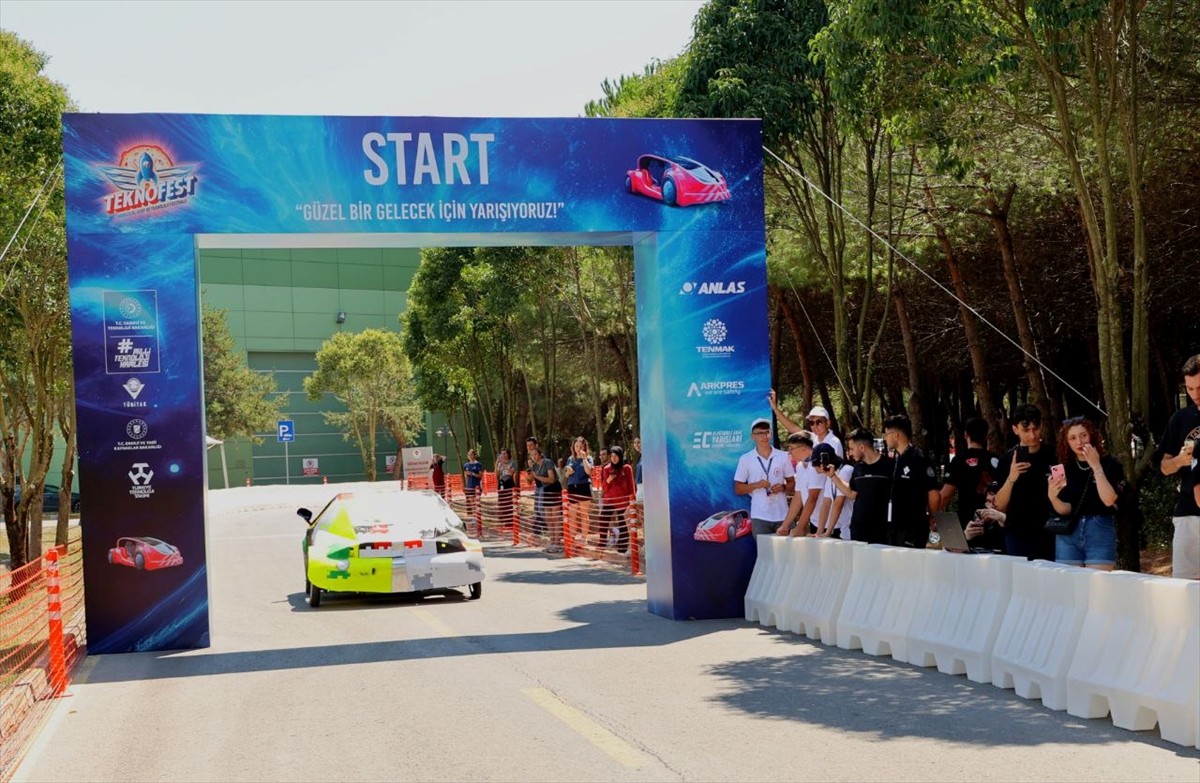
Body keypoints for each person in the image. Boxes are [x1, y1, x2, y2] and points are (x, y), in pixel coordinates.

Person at [1047, 417, 1123, 570]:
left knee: (1098, 586)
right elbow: (1065, 509)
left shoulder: (1109, 463)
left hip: (1099, 528)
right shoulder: (1063, 468)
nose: (1079, 442)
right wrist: (1052, 496)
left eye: (1083, 435)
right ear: (1066, 442)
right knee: (1069, 587)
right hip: (1069, 531)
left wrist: (1096, 466)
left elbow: (1109, 500)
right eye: (1072, 438)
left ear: (1092, 436)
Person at [1154, 354, 1200, 580]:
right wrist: (1180, 461)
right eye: (1190, 389)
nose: (1196, 395)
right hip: (1188, 515)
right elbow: (1164, 467)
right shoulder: (1180, 419)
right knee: (1185, 589)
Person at [994, 404, 1056, 560]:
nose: (1032, 435)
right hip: (1017, 532)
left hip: (1049, 531)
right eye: (1026, 430)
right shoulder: (1007, 460)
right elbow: (1000, 505)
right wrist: (1011, 478)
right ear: (1015, 429)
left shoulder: (1054, 455)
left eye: (1036, 428)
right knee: (1020, 581)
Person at [825, 429, 893, 544]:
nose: (850, 453)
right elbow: (852, 494)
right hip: (858, 532)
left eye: (851, 449)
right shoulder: (857, 469)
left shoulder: (890, 466)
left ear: (862, 447)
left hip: (883, 533)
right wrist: (833, 476)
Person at [883, 414, 940, 548]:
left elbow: (933, 494)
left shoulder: (918, 458)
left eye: (886, 434)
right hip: (894, 527)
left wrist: (933, 517)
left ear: (896, 435)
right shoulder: (897, 459)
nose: (885, 439)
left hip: (912, 528)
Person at [734, 418, 796, 536]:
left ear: (770, 434)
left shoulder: (783, 456)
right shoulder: (746, 459)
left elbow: (792, 484)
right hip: (760, 517)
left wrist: (783, 487)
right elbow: (738, 488)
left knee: (786, 553)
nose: (764, 436)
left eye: (767, 432)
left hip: (783, 515)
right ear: (753, 436)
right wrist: (757, 485)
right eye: (760, 433)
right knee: (765, 553)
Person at [939, 417, 1001, 532]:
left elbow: (946, 494)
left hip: (968, 523)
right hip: (993, 521)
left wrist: (933, 516)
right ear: (986, 436)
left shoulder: (959, 460)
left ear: (966, 434)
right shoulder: (996, 460)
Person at [767, 390, 844, 457]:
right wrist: (775, 408)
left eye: (819, 422)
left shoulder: (834, 442)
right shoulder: (813, 438)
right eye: (812, 423)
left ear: (828, 423)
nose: (815, 426)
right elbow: (792, 428)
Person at [775, 432, 820, 537]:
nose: (789, 452)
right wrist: (785, 526)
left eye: (791, 448)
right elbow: (798, 497)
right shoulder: (800, 466)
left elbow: (812, 498)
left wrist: (800, 527)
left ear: (803, 448)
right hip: (814, 521)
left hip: (830, 524)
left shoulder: (816, 466)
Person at [813, 443, 854, 539]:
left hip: (853, 528)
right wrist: (819, 532)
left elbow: (838, 504)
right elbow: (826, 503)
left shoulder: (845, 471)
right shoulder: (830, 474)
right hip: (844, 530)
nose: (814, 467)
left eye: (815, 464)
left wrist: (827, 532)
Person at [600, 445, 636, 553]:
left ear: (620, 456)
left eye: (616, 456)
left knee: (623, 523)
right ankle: (602, 543)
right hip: (610, 499)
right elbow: (604, 487)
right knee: (603, 519)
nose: (614, 458)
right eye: (612, 456)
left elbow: (631, 485)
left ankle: (622, 548)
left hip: (623, 500)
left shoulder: (626, 468)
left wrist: (632, 501)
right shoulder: (607, 469)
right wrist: (608, 480)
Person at [529, 443, 563, 552]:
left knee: (556, 517)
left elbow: (551, 479)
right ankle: (552, 541)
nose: (533, 457)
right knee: (549, 518)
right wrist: (530, 476)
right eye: (531, 455)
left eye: (535, 454)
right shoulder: (534, 466)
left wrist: (536, 476)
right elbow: (532, 481)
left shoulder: (547, 462)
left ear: (540, 454)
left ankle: (558, 542)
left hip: (553, 489)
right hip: (544, 491)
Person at [564, 436, 594, 543]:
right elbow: (566, 475)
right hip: (572, 487)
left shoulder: (589, 458)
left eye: (580, 446)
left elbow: (589, 472)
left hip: (584, 486)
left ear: (584, 447)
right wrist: (568, 472)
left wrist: (584, 458)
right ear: (573, 447)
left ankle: (584, 538)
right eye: (576, 446)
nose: (578, 448)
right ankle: (571, 537)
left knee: (584, 514)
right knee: (572, 514)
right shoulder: (570, 459)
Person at [963, 481, 1007, 552]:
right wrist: (966, 537)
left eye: (995, 501)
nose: (992, 506)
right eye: (989, 501)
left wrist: (1000, 517)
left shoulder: (1010, 518)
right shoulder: (984, 519)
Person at [495, 448, 517, 528]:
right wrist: (497, 463)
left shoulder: (512, 462)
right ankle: (504, 519)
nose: (503, 455)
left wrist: (504, 464)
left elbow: (511, 473)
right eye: (501, 454)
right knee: (502, 502)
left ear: (508, 454)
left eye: (504, 453)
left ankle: (510, 521)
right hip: (501, 482)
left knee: (509, 502)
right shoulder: (500, 463)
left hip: (509, 482)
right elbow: (497, 473)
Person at [463, 449, 484, 519]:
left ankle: (478, 517)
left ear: (475, 455)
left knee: (476, 502)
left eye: (472, 454)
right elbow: (465, 476)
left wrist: (472, 474)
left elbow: (481, 475)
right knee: (472, 502)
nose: (470, 456)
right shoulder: (466, 465)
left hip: (476, 485)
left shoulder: (478, 464)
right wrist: (465, 486)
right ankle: (474, 517)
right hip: (469, 486)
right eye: (469, 455)